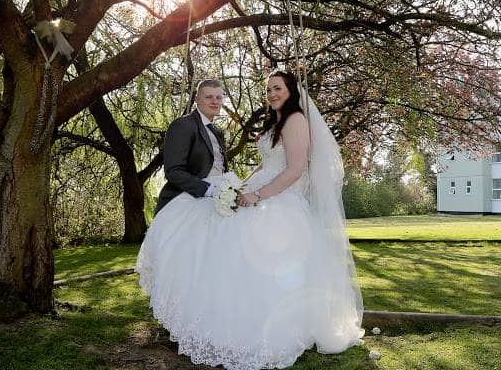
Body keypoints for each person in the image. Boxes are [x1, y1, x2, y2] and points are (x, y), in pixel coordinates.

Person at [136, 70, 364, 370]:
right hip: (257, 192)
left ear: (291, 90)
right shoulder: (275, 122)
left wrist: (260, 195)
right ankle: (231, 321)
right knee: (239, 257)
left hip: (279, 199)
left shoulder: (296, 119)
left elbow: (295, 170)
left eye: (278, 88)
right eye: (268, 89)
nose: (272, 93)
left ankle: (274, 328)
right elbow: (265, 164)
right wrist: (244, 186)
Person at [154, 79, 228, 213]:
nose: (215, 101)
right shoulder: (183, 125)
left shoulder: (217, 132)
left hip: (219, 199)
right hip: (189, 199)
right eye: (208, 97)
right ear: (197, 99)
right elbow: (174, 171)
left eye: (218, 97)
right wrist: (208, 189)